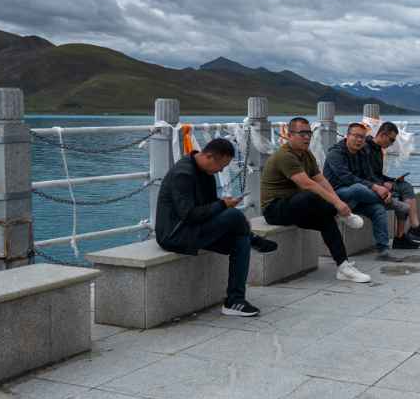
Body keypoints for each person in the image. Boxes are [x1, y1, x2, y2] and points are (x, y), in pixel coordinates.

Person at [155, 138, 277, 317]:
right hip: (176, 235)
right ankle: (254, 239)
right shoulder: (183, 174)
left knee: (240, 240)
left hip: (195, 229)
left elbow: (209, 207)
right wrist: (223, 205)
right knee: (234, 216)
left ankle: (234, 300)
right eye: (222, 165)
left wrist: (224, 205)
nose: (221, 170)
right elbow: (189, 215)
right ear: (210, 157)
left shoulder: (206, 172)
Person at [261, 117, 372, 283]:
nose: (307, 137)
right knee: (310, 195)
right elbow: (307, 184)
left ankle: (343, 267)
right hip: (274, 209)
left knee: (326, 219)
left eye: (309, 133)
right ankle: (342, 215)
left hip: (296, 206)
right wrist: (337, 205)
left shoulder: (307, 154)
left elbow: (321, 180)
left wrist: (338, 201)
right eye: (302, 134)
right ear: (289, 135)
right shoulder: (285, 156)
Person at [324, 123, 420, 259]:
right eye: (356, 136)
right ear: (347, 136)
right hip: (337, 196)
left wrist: (382, 188)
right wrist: (376, 189)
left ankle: (383, 250)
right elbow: (347, 178)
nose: (359, 140)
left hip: (360, 199)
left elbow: (369, 176)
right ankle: (391, 202)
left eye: (362, 137)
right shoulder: (335, 153)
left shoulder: (362, 152)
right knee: (357, 188)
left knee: (378, 209)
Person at [365, 121, 420, 243]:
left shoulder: (378, 150)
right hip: (371, 185)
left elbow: (377, 174)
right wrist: (382, 184)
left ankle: (405, 234)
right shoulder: (366, 149)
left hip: (377, 182)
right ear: (382, 135)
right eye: (391, 140)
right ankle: (410, 231)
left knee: (405, 186)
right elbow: (365, 174)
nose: (392, 143)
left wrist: (392, 180)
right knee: (401, 192)